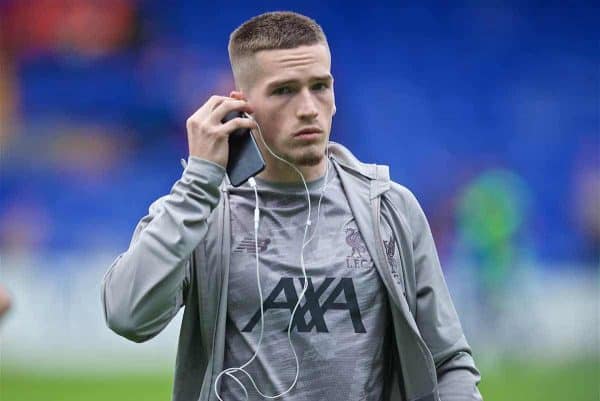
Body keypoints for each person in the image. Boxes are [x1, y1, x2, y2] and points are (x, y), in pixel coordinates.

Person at [102, 11, 483, 401]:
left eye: (320, 86)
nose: (308, 108)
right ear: (242, 108)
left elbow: (447, 362)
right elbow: (128, 316)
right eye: (284, 90)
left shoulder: (388, 209)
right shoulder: (202, 211)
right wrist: (199, 181)